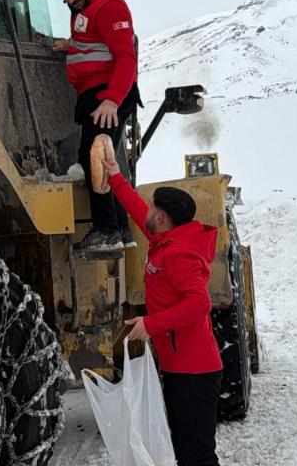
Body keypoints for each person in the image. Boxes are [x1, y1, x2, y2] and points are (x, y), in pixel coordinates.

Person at [101, 145, 223, 466]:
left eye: (153, 209)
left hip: (195, 372)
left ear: (162, 216)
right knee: (185, 452)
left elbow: (199, 303)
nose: (148, 213)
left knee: (197, 455)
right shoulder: (162, 239)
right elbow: (135, 208)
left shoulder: (178, 253)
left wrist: (149, 325)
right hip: (180, 367)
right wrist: (115, 175)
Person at [52, 0, 141, 253]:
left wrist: (112, 100)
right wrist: (71, 46)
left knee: (97, 162)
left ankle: (106, 230)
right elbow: (95, 44)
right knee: (105, 162)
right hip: (97, 95)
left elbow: (126, 58)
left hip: (107, 97)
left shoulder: (108, 5)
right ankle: (122, 229)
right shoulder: (85, 8)